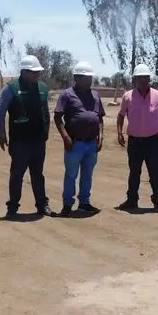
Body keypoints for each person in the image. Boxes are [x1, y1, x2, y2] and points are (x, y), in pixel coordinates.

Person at [0, 55, 53, 218]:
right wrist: (2, 135)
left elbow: (46, 112)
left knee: (38, 174)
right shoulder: (11, 88)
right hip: (20, 141)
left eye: (38, 72)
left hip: (38, 140)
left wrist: (46, 131)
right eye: (33, 72)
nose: (37, 75)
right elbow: (0, 113)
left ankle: (42, 205)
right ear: (24, 71)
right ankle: (12, 207)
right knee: (17, 174)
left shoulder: (42, 88)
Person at [116, 63, 158, 212]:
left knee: (154, 171)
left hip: (151, 141)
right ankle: (132, 200)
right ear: (135, 79)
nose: (142, 80)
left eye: (145, 77)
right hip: (134, 141)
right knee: (134, 171)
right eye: (139, 78)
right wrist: (119, 133)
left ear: (149, 79)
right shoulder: (127, 96)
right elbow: (121, 115)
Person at [54, 61, 105, 216]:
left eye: (90, 77)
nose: (89, 80)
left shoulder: (95, 95)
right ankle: (67, 205)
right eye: (85, 77)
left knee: (87, 175)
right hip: (75, 143)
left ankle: (84, 202)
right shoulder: (67, 95)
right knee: (71, 175)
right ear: (76, 77)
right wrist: (65, 137)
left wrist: (101, 137)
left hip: (91, 143)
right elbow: (57, 117)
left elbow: (100, 118)